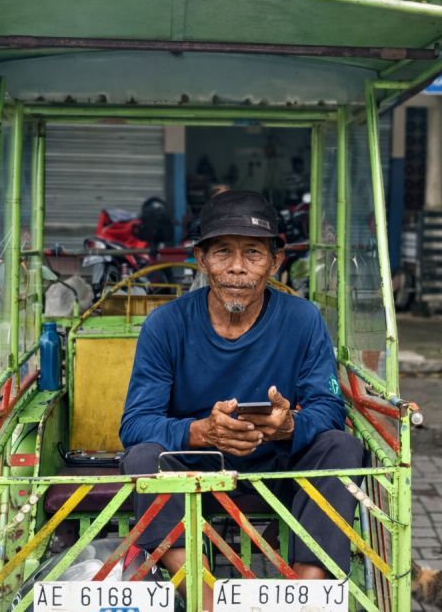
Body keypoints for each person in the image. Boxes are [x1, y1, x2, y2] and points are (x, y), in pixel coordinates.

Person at [119, 190, 363, 609]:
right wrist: (200, 431)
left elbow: (328, 406)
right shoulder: (166, 325)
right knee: (142, 458)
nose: (236, 267)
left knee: (342, 445)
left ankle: (304, 593)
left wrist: (289, 425)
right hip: (196, 469)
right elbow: (135, 423)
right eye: (222, 253)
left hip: (277, 466)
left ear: (275, 261)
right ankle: (205, 598)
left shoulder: (303, 320)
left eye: (252, 253)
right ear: (201, 259)